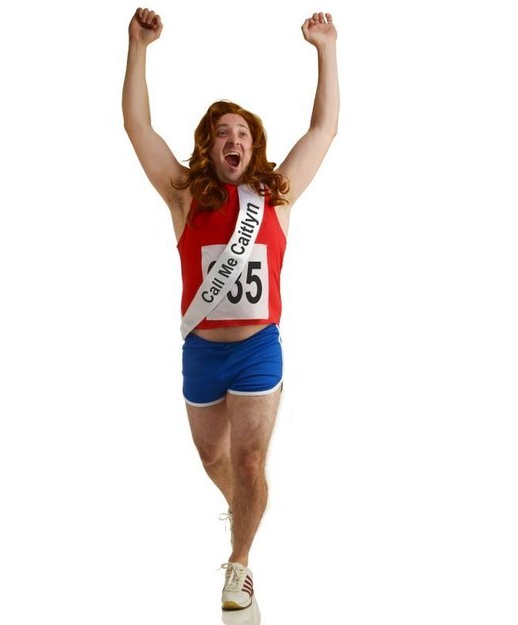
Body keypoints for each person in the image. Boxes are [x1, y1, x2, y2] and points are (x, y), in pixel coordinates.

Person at [122, 6, 339, 611]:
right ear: (209, 145)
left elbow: (323, 130)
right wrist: (138, 47)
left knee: (248, 461)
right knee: (213, 457)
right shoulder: (184, 198)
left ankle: (239, 564)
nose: (234, 140)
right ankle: (248, 504)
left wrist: (326, 50)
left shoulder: (276, 197)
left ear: (254, 146)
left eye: (242, 132)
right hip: (201, 353)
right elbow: (138, 127)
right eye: (223, 132)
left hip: (258, 351)